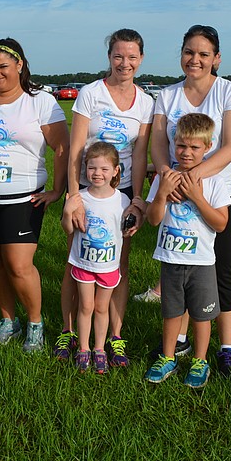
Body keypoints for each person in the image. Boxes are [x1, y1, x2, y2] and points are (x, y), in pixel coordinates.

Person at [150, 24, 231, 377]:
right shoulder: (167, 95)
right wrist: (166, 173)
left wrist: (193, 179)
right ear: (181, 55)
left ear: (216, 59)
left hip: (216, 193)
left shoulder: (229, 92)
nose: (196, 59)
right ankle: (179, 341)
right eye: (189, 52)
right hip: (174, 192)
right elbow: (160, 142)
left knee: (219, 271)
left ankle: (226, 348)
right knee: (181, 269)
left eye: (204, 54)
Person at [53, 28, 151, 367]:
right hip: (86, 188)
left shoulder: (146, 101)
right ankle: (69, 332)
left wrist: (137, 198)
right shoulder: (91, 93)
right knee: (76, 260)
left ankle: (115, 337)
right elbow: (76, 148)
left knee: (119, 263)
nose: (125, 63)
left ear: (141, 59)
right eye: (118, 56)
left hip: (120, 192)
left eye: (132, 56)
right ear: (109, 57)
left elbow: (139, 154)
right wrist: (73, 196)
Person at [0, 38, 69, 353]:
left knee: (19, 265)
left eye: (3, 67)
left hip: (23, 198)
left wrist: (57, 190)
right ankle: (8, 321)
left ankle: (35, 324)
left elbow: (61, 147)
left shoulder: (40, 101)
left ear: (19, 65)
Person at [144, 114, 230, 388]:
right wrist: (161, 193)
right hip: (170, 259)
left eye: (195, 148)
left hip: (202, 262)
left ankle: (200, 361)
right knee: (171, 312)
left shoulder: (215, 181)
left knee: (202, 315)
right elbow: (153, 219)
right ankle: (168, 357)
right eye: (181, 146)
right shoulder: (164, 177)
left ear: (208, 147)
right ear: (173, 144)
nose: (187, 153)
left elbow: (221, 223)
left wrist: (196, 197)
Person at [61, 142, 132, 374]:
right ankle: (83, 349)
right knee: (86, 306)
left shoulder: (122, 200)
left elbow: (124, 231)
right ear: (85, 168)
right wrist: (67, 212)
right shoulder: (79, 198)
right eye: (92, 168)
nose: (97, 174)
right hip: (84, 264)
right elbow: (68, 230)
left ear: (115, 170)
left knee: (102, 308)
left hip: (109, 266)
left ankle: (99, 348)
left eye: (103, 169)